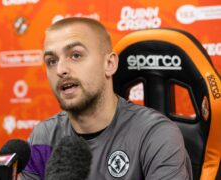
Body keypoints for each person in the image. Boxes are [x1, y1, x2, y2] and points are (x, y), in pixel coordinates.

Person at [21, 17, 192, 180]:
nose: (60, 69)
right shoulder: (42, 138)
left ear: (109, 64)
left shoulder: (156, 135)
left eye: (75, 55)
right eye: (51, 61)